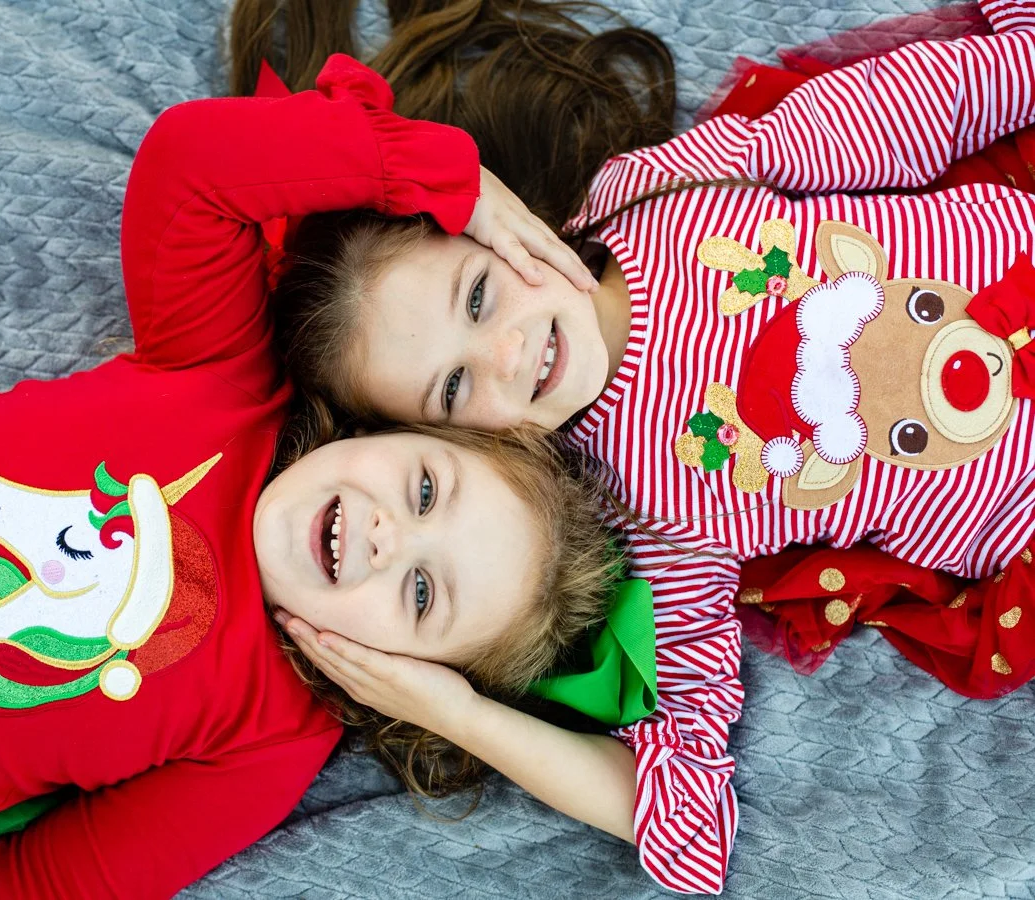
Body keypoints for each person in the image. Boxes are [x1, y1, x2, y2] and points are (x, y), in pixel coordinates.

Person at [0, 60, 617, 899]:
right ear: (395, 427)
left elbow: (64, 878)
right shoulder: (228, 379)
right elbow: (192, 167)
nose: (387, 537)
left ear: (403, 676)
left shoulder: (273, 742)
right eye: (423, 489)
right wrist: (440, 178)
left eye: (421, 593)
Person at [233, 0, 1035, 892]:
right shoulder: (644, 518)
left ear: (494, 224)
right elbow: (689, 834)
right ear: (448, 442)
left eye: (477, 296)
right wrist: (453, 712)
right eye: (456, 390)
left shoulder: (657, 193)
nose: (508, 353)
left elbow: (891, 117)